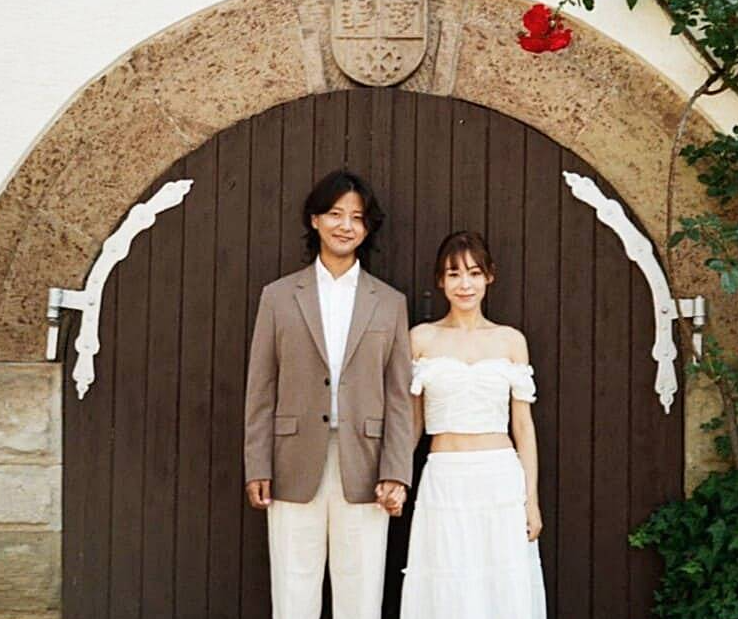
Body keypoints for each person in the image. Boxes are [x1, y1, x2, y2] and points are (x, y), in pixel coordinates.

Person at [243, 169, 414, 619]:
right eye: (335, 214)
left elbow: (399, 397)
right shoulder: (278, 297)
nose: (346, 225)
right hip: (291, 460)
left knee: (361, 592)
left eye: (357, 217)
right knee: (292, 589)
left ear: (368, 228)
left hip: (366, 463)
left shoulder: (390, 302)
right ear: (315, 219)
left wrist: (397, 471)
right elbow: (261, 388)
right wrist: (257, 464)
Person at [400, 231, 546, 619]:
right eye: (454, 274)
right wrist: (393, 478)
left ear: (489, 277)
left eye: (474, 273)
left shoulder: (510, 340)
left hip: (499, 479)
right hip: (444, 478)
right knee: (447, 582)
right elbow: (412, 422)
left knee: (501, 583)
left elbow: (523, 427)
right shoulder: (421, 339)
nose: (465, 284)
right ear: (440, 280)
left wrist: (530, 500)